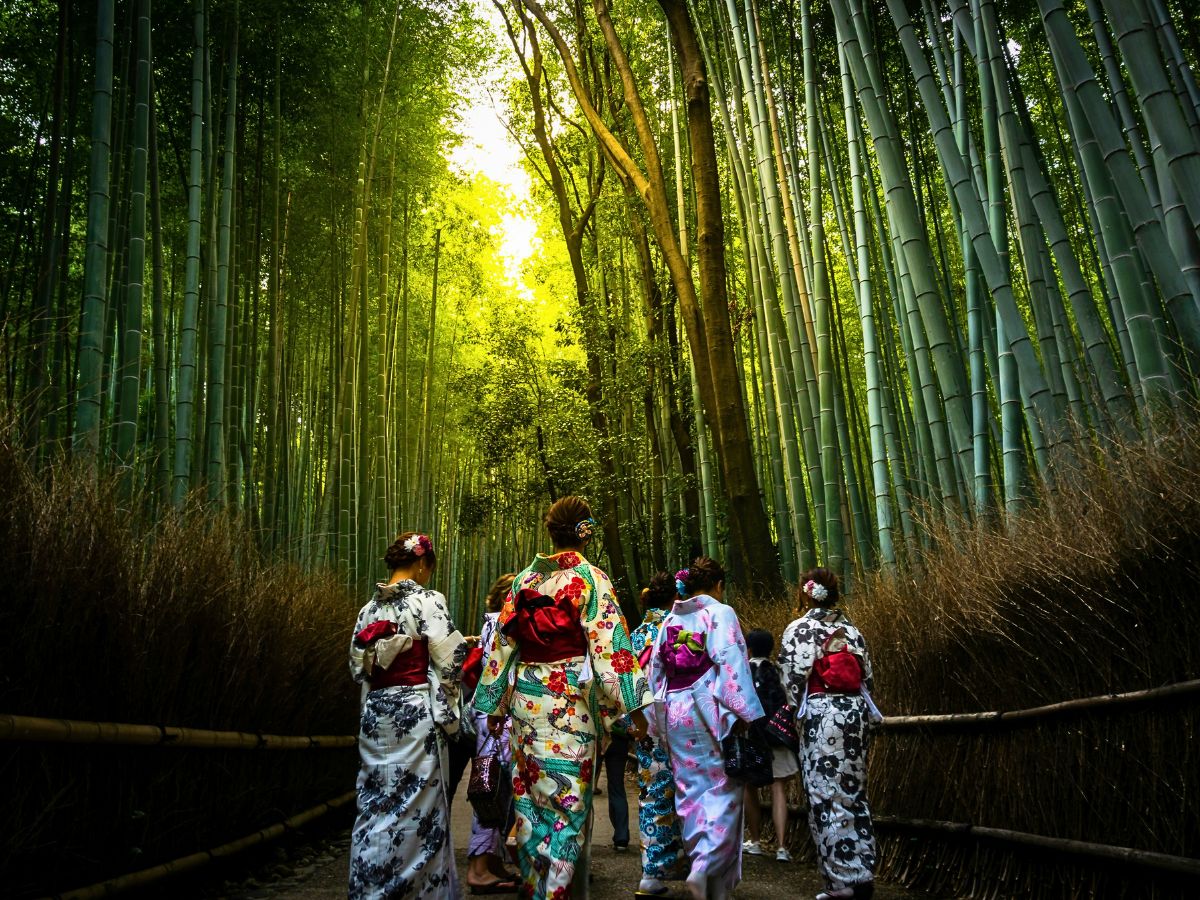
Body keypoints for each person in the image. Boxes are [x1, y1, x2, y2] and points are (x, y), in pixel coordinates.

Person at [475, 496, 653, 899]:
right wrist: (636, 709)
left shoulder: (524, 581)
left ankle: (538, 888)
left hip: (526, 701)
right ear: (585, 533)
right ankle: (553, 893)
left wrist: (494, 705)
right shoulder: (591, 578)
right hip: (570, 702)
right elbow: (611, 651)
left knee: (530, 806)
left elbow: (502, 647)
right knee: (567, 806)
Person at [347, 532, 468, 900]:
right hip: (415, 713)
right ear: (421, 563)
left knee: (375, 800)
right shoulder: (428, 600)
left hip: (377, 713)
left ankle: (370, 885)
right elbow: (452, 661)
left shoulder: (368, 610)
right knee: (419, 806)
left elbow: (358, 668)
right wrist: (448, 709)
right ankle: (418, 891)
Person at [645, 557, 764, 900]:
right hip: (708, 708)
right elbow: (730, 660)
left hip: (675, 709)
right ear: (718, 585)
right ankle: (705, 865)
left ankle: (708, 877)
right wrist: (744, 712)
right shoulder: (719, 612)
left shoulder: (671, 620)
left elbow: (656, 670)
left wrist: (656, 720)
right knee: (724, 789)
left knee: (689, 790)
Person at [778, 568, 880, 900]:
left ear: (805, 593)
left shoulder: (800, 629)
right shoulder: (853, 631)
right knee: (854, 792)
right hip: (856, 713)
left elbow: (792, 680)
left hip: (822, 715)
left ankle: (841, 881)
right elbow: (868, 678)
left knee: (825, 794)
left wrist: (797, 716)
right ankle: (862, 873)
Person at [629, 573, 686, 898]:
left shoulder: (636, 635)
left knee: (652, 792)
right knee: (690, 792)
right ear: (674, 598)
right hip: (679, 721)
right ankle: (677, 865)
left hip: (644, 723)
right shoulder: (676, 629)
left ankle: (655, 868)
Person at [467, 573, 520, 894]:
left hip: (490, 710)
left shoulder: (490, 624)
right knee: (491, 788)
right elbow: (500, 672)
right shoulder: (503, 624)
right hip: (496, 714)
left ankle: (494, 863)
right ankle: (479, 868)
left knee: (499, 790)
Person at [741, 629, 799, 862]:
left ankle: (755, 841)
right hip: (777, 736)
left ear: (749, 649)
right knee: (778, 788)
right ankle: (782, 847)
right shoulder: (778, 671)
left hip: (752, 737)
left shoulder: (743, 671)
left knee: (749, 787)